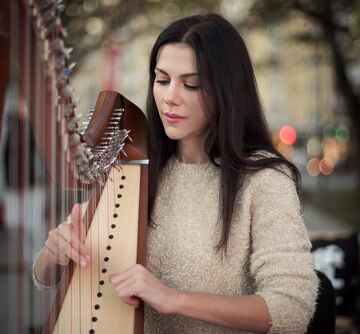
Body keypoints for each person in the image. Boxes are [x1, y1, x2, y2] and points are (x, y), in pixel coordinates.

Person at [33, 14, 318, 334]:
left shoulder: (265, 180)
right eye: (162, 79)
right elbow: (47, 278)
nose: (170, 97)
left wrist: (172, 299)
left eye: (191, 84)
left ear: (227, 90)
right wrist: (54, 254)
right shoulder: (137, 168)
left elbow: (292, 308)